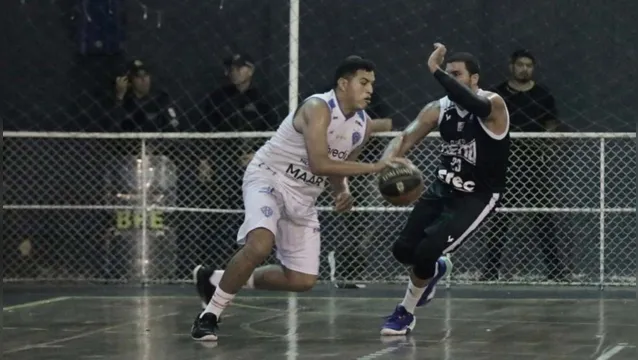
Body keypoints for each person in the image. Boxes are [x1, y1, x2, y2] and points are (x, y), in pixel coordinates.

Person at [190, 56, 405, 341]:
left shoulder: (362, 126)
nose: (370, 90)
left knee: (301, 280)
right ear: (343, 84)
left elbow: (338, 168)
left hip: (304, 197)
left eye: (372, 84)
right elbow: (319, 163)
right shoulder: (318, 107)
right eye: (363, 82)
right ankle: (210, 315)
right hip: (270, 178)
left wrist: (342, 192)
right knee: (259, 245)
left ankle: (213, 279)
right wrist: (375, 167)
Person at [379, 43, 511, 335]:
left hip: (478, 195)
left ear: (474, 78)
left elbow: (474, 104)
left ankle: (405, 313)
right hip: (443, 189)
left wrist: (436, 71)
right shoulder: (439, 109)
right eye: (448, 73)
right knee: (403, 250)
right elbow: (404, 137)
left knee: (426, 251)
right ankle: (435, 269)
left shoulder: (493, 103)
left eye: (457, 74)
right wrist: (387, 162)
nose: (451, 78)